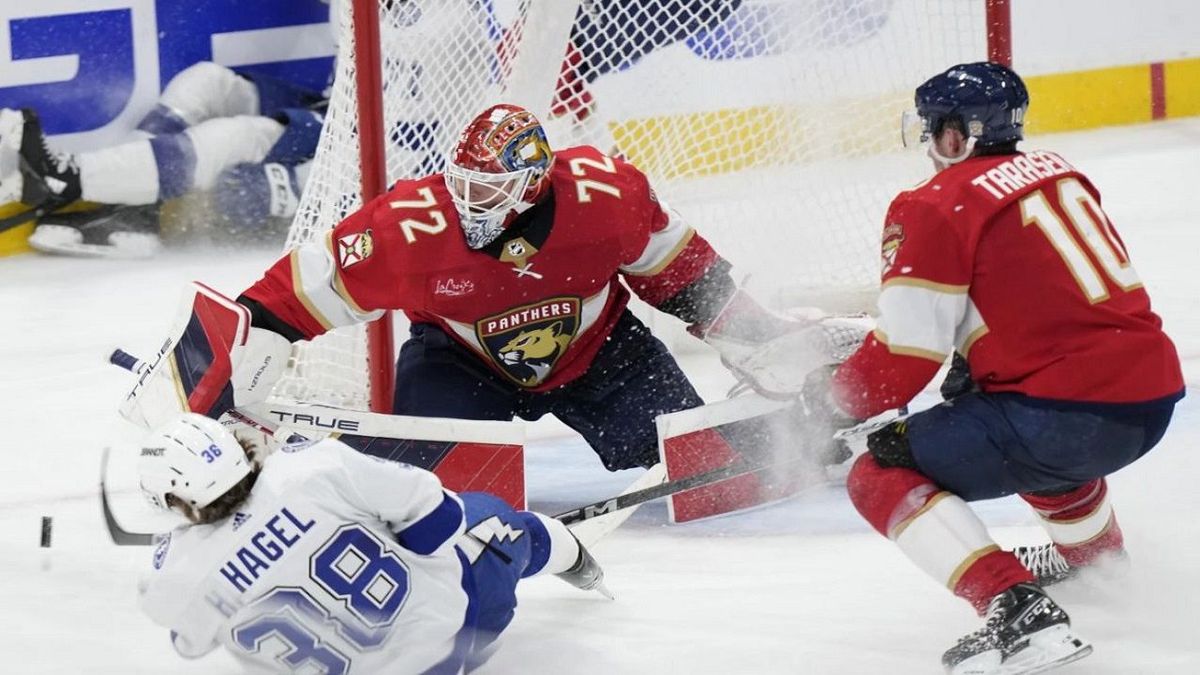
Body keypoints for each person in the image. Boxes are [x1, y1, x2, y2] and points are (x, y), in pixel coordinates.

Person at [120, 102, 857, 523]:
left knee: (707, 472)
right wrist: (233, 381)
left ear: (535, 183)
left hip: (601, 352)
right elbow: (283, 300)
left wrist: (753, 336)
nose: (468, 202)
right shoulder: (410, 226)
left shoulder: (608, 194)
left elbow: (684, 277)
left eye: (489, 189)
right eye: (463, 183)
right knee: (408, 502)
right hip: (461, 362)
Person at [797, 62, 1184, 674]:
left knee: (878, 471)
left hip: (1066, 417)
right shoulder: (1061, 172)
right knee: (1015, 424)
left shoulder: (935, 203)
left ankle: (1019, 615)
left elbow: (904, 359)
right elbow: (1038, 295)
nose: (928, 146)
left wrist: (833, 402)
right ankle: (1101, 569)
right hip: (1151, 401)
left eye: (931, 131)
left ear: (957, 136)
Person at [137, 412, 608, 672]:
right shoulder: (312, 468)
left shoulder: (174, 575)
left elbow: (187, 638)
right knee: (493, 519)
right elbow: (440, 522)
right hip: (456, 640)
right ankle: (582, 564)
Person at [0, 61, 325, 258]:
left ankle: (67, 178)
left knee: (232, 139)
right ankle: (135, 214)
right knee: (205, 82)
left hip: (348, 163)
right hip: (335, 111)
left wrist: (295, 186)